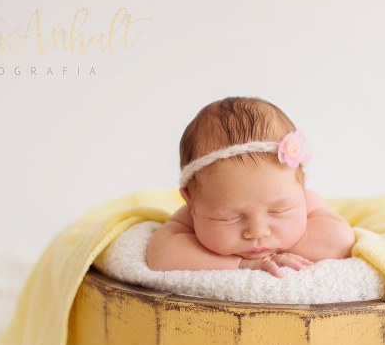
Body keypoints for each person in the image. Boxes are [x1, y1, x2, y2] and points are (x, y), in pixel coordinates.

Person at [146, 96, 356, 278]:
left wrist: (281, 248)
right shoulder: (190, 215)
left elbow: (340, 242)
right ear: (191, 202)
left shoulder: (306, 201)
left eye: (278, 211)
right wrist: (242, 264)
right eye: (230, 217)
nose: (257, 232)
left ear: (301, 188)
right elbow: (162, 256)